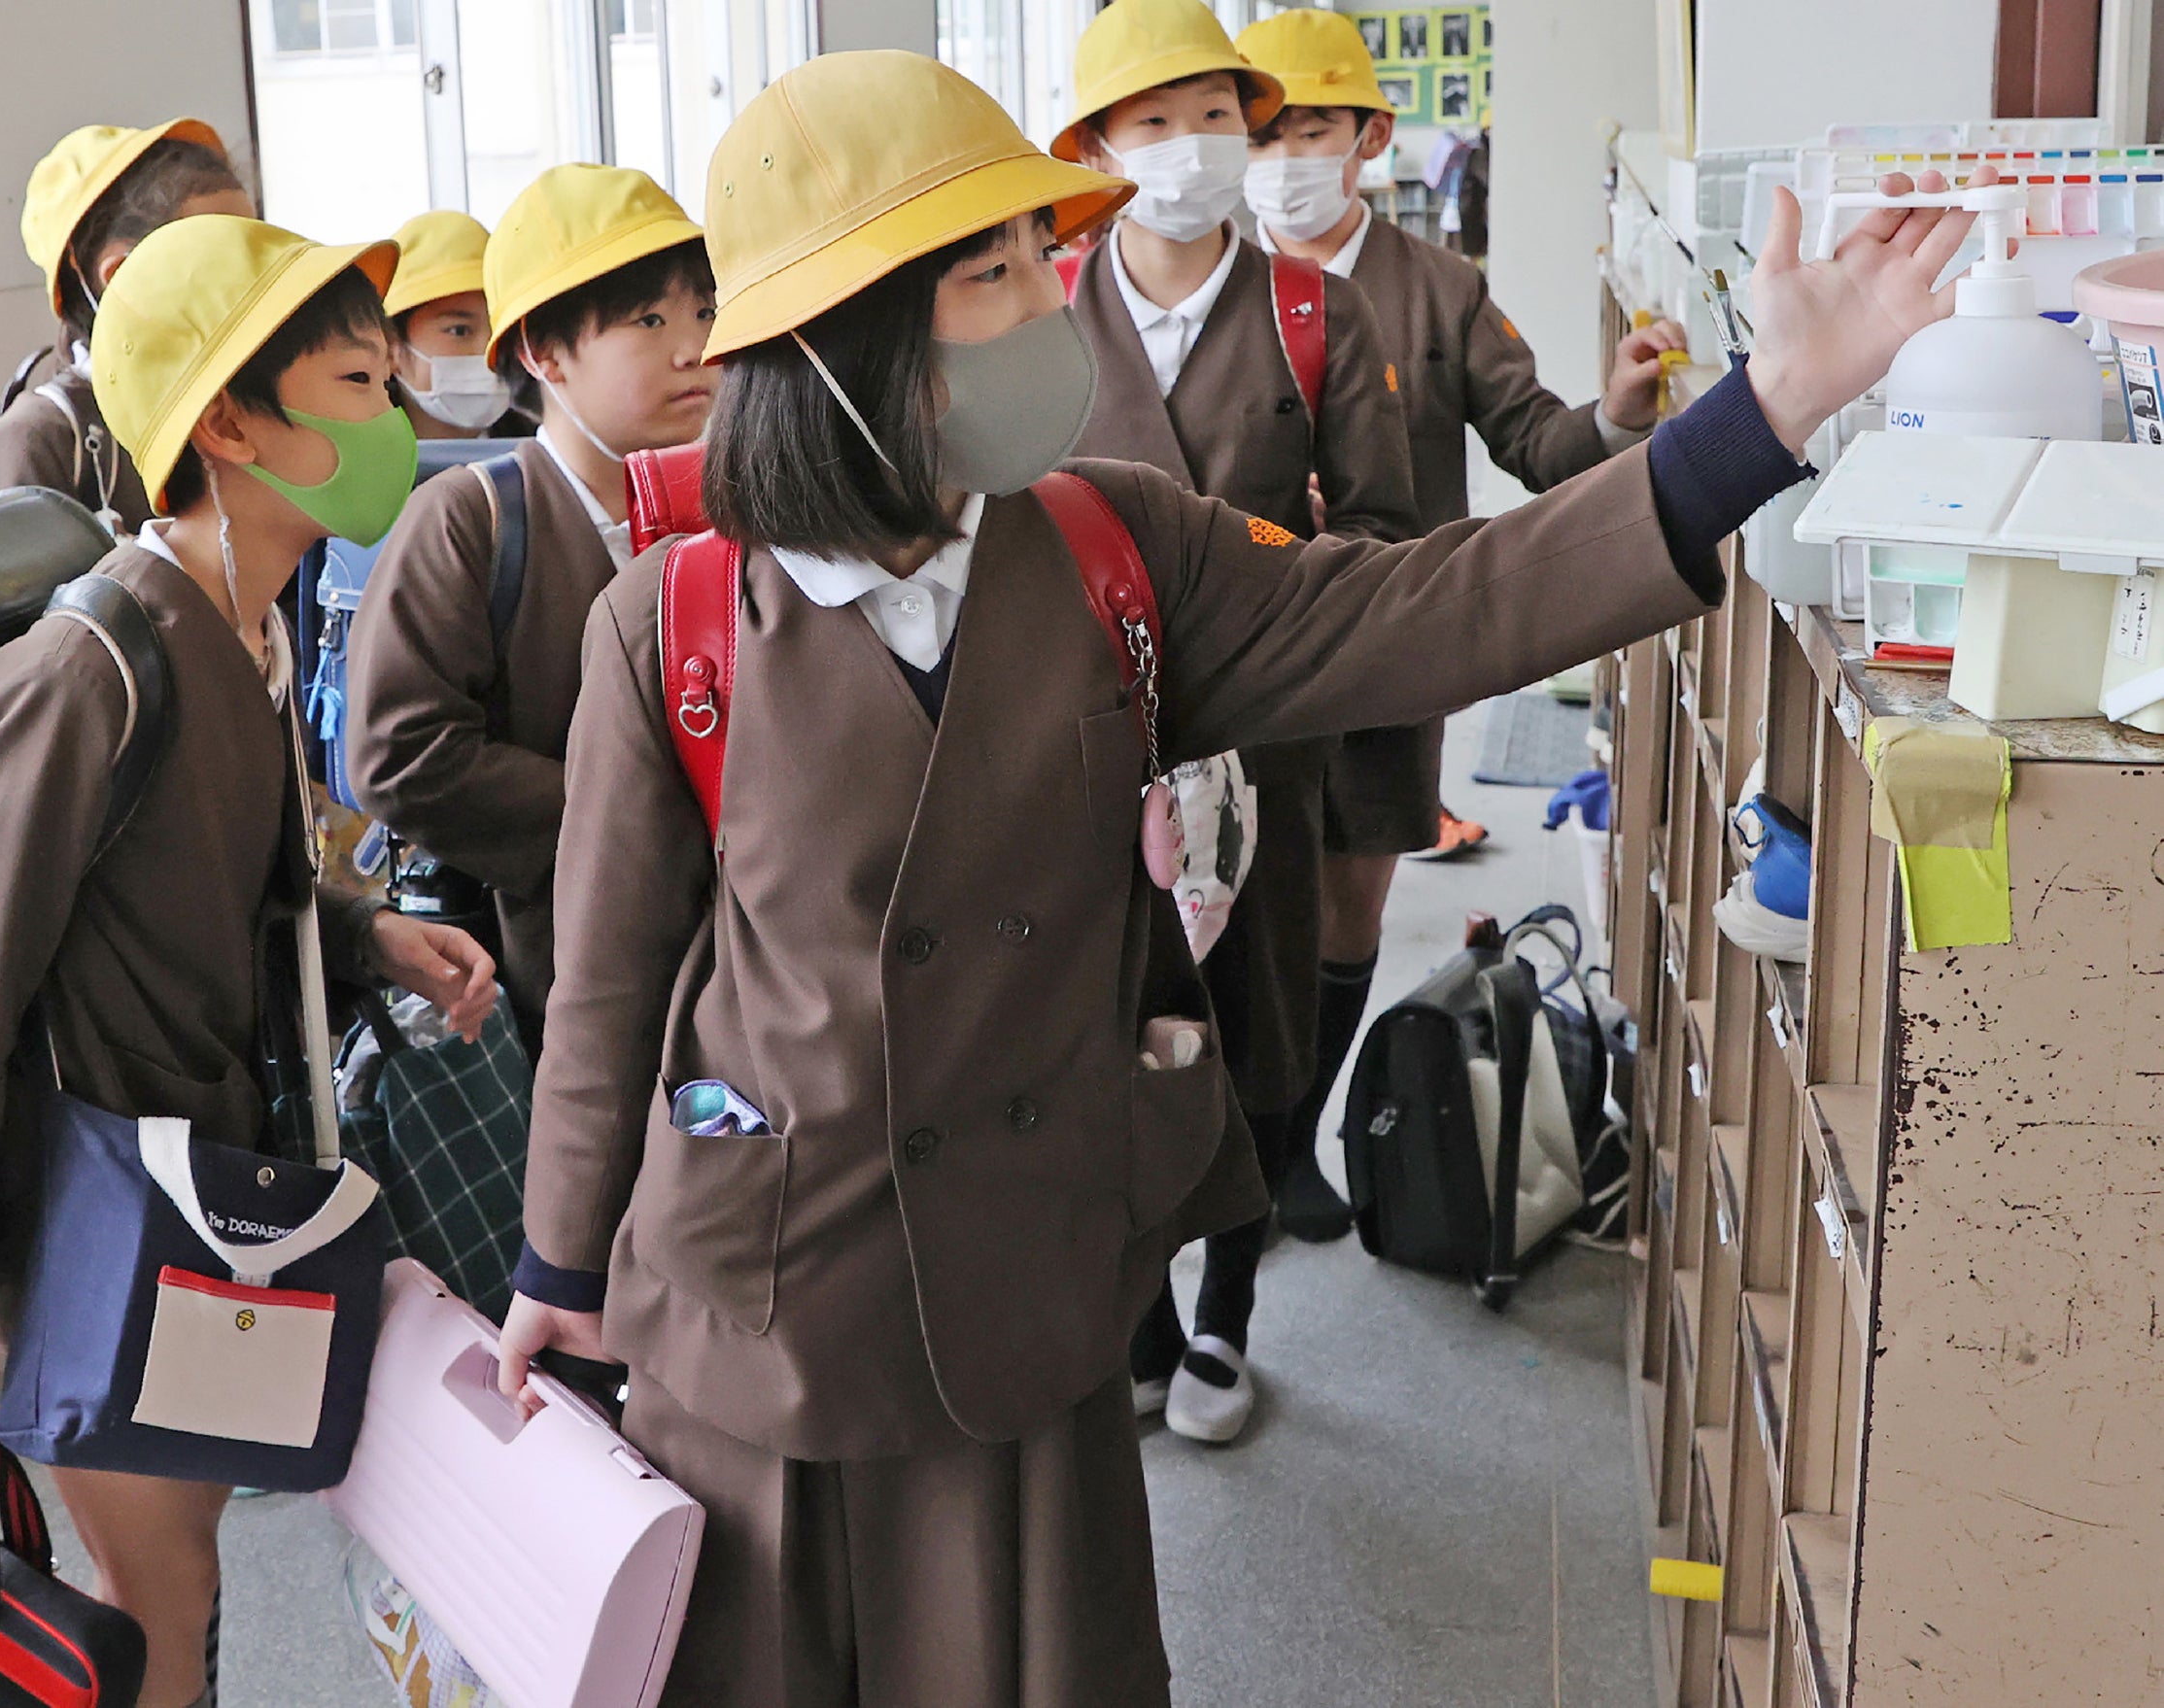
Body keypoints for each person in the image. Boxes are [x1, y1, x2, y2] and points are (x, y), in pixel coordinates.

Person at [494, 44, 1978, 1708]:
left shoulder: (1115, 549)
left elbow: (1441, 603)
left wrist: (1756, 419)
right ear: (857, 341)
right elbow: (608, 990)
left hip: (1029, 1293)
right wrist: (557, 1271)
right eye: (996, 273)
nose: (1054, 297)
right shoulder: (676, 625)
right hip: (766, 1303)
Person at [0, 214, 499, 1708]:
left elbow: (225, 887)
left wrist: (364, 935)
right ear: (227, 421)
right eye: (360, 384)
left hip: (193, 1195)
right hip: (90, 1208)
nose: (397, 423)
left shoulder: (250, 626)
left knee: (176, 1577)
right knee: (160, 1597)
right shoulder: (96, 658)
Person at [1238, 5, 1689, 1242]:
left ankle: (1294, 1144)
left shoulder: (1436, 290)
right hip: (1232, 661)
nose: (1282, 156)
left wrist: (1614, 413)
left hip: (1389, 645)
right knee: (1229, 917)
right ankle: (1227, 1157)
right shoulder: (1214, 283)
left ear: (1370, 137)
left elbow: (1540, 445)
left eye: (1311, 128)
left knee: (1348, 909)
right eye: (1262, 131)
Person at [1053, 0, 1419, 1444]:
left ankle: (1227, 1314)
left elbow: (1384, 536)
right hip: (1085, 739)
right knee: (1101, 1019)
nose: (1189, 150)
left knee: (1257, 1026)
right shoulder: (1041, 307)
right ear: (1095, 148)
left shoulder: (1315, 312)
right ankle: (1136, 1307)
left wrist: (1290, 593)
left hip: (1269, 735)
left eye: (1215, 117)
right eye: (1152, 122)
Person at [348, 164, 716, 1051]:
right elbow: (401, 754)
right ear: (545, 355)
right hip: (560, 975)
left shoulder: (739, 505)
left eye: (704, 312)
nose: (693, 347)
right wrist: (634, 810)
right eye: (650, 321)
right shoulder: (470, 518)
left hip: (734, 965)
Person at [0, 120, 254, 535]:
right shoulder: (39, 441)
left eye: (262, 247)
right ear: (120, 276)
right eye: (225, 256)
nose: (258, 275)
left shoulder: (242, 399)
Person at [383, 208, 529, 439]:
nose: (487, 351)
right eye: (459, 331)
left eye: (500, 330)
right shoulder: (360, 467)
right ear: (391, 347)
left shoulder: (542, 459)